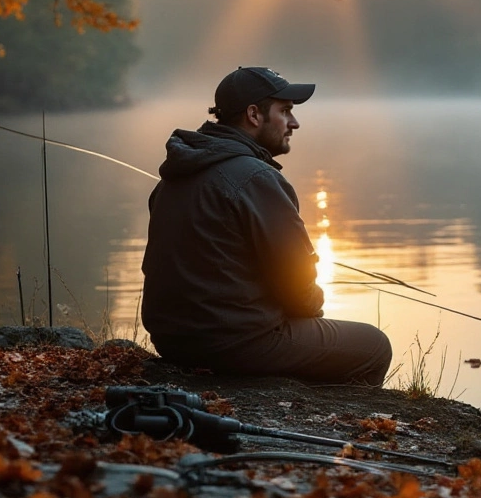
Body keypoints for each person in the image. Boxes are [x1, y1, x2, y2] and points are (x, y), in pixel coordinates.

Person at [141, 66, 392, 385]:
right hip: (233, 346)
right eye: (285, 111)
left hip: (171, 342)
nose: (295, 122)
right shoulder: (257, 178)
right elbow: (300, 293)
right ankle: (331, 425)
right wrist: (313, 304)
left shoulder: (176, 174)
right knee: (373, 346)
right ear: (254, 115)